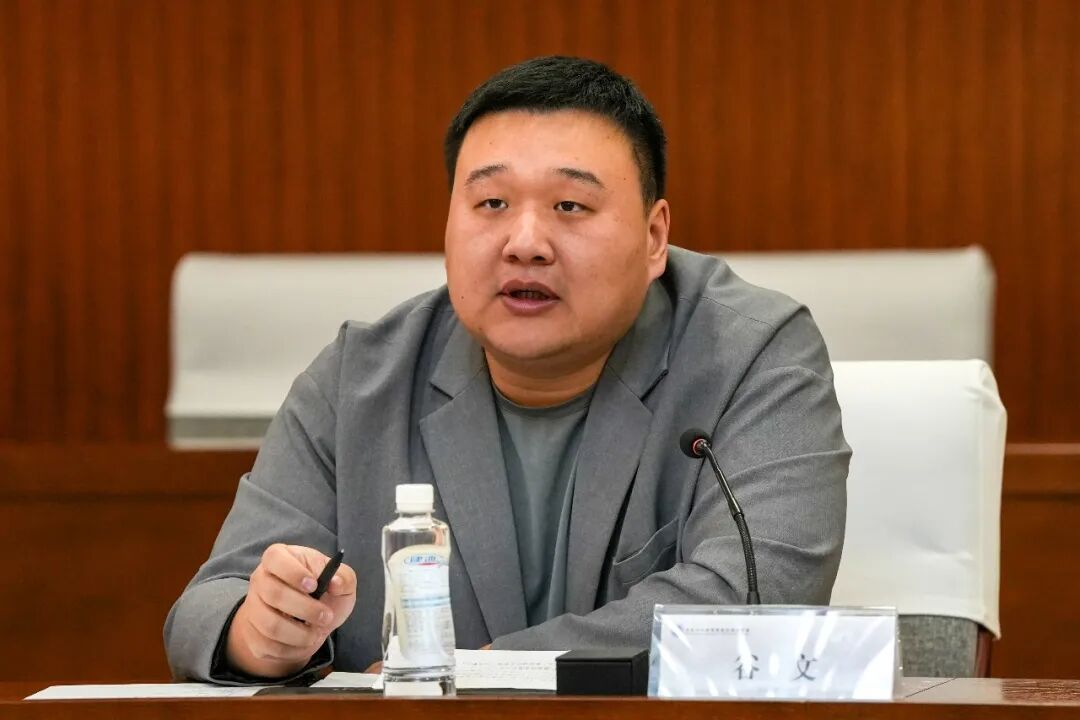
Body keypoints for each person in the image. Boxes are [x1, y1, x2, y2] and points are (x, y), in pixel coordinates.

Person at [165, 55, 849, 684]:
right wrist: (262, 634)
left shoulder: (751, 354)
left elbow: (755, 599)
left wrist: (485, 673)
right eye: (491, 204)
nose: (525, 243)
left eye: (570, 206)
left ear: (653, 237)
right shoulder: (360, 379)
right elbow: (209, 607)